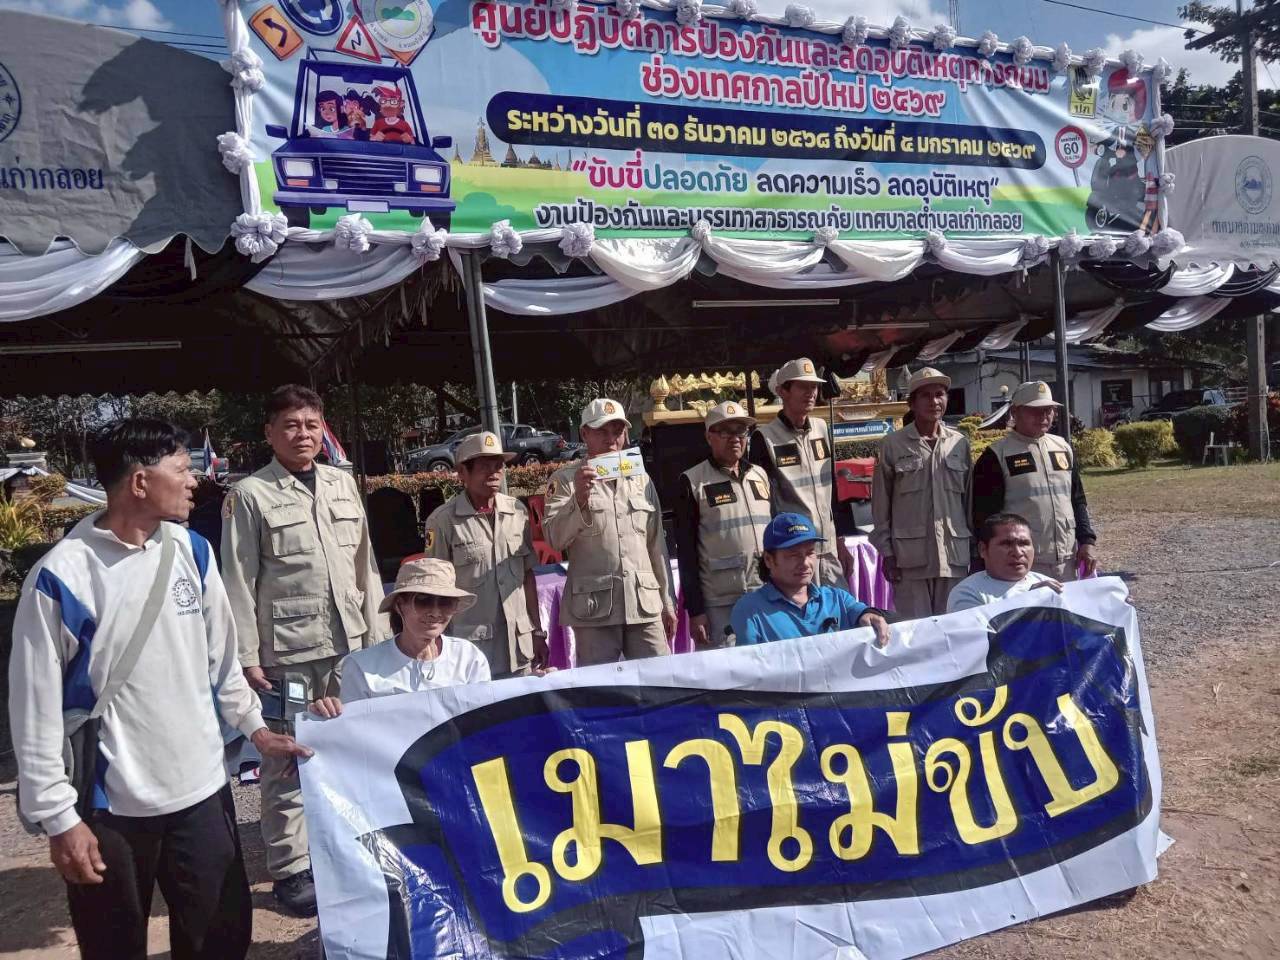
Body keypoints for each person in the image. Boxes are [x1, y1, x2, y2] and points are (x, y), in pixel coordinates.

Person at [9, 419, 309, 960]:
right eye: (182, 469)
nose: (195, 481)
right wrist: (60, 819)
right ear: (140, 482)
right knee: (114, 946)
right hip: (111, 808)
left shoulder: (193, 552)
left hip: (203, 792)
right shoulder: (62, 577)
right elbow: (35, 709)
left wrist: (257, 731)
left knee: (219, 939)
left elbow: (223, 664)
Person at [220, 385, 385, 916]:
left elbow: (365, 565)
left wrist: (380, 635)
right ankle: (292, 868)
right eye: (291, 425)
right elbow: (238, 580)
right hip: (287, 655)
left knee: (351, 750)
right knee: (287, 759)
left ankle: (346, 849)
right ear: (269, 432)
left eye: (312, 424)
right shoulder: (250, 495)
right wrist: (247, 656)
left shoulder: (342, 484)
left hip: (348, 645)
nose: (303, 434)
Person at [543, 398, 676, 666]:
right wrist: (578, 500)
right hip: (595, 610)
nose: (611, 439)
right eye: (602, 431)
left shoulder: (641, 478)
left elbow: (656, 545)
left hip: (644, 604)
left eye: (617, 431)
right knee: (600, 687)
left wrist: (667, 601)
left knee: (659, 679)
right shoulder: (565, 480)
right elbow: (554, 539)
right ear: (584, 434)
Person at [423, 430, 549, 677]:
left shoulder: (516, 511)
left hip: (518, 647)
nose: (494, 473)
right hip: (471, 652)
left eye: (498, 466)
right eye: (484, 467)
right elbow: (435, 590)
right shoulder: (443, 521)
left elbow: (527, 577)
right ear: (462, 473)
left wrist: (537, 631)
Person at [310, 558, 490, 716]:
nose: (435, 612)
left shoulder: (469, 658)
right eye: (423, 600)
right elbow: (352, 730)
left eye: (445, 602)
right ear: (399, 606)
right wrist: (327, 714)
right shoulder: (361, 667)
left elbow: (483, 720)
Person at [970, 381, 1099, 582]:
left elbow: (1078, 500)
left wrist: (1087, 541)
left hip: (1067, 560)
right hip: (1021, 564)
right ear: (1015, 412)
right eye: (1035, 410)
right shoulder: (996, 455)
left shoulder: (1062, 447)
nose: (1044, 416)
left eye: (1049, 410)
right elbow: (985, 518)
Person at [870, 367, 972, 618]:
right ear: (912, 403)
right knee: (915, 631)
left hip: (953, 557)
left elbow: (969, 502)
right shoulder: (892, 445)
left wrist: (976, 552)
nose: (934, 401)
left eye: (939, 394)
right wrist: (887, 553)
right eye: (925, 395)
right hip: (909, 559)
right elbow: (881, 505)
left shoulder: (959, 443)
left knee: (953, 628)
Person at [749, 357, 855, 591]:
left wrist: (840, 541)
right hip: (794, 554)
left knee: (839, 609)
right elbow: (763, 505)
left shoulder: (821, 428)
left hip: (828, 549)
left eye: (814, 386)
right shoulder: (765, 438)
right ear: (782, 391)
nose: (811, 393)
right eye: (803, 387)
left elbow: (833, 490)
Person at [674, 401, 772, 648]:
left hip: (765, 592)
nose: (735, 438)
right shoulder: (692, 481)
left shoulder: (759, 475)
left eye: (741, 431)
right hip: (721, 603)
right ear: (709, 437)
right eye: (726, 432)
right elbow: (686, 553)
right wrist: (696, 610)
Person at [731, 513, 891, 648]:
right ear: (768, 560)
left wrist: (870, 616)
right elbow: (749, 666)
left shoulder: (837, 599)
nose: (805, 563)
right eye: (793, 555)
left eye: (810, 553)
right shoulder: (750, 610)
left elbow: (861, 612)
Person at [947, 513, 1063, 612]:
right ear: (983, 549)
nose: (1017, 553)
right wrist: (1029, 601)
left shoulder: (1050, 585)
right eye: (1007, 544)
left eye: (1024, 543)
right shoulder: (968, 593)